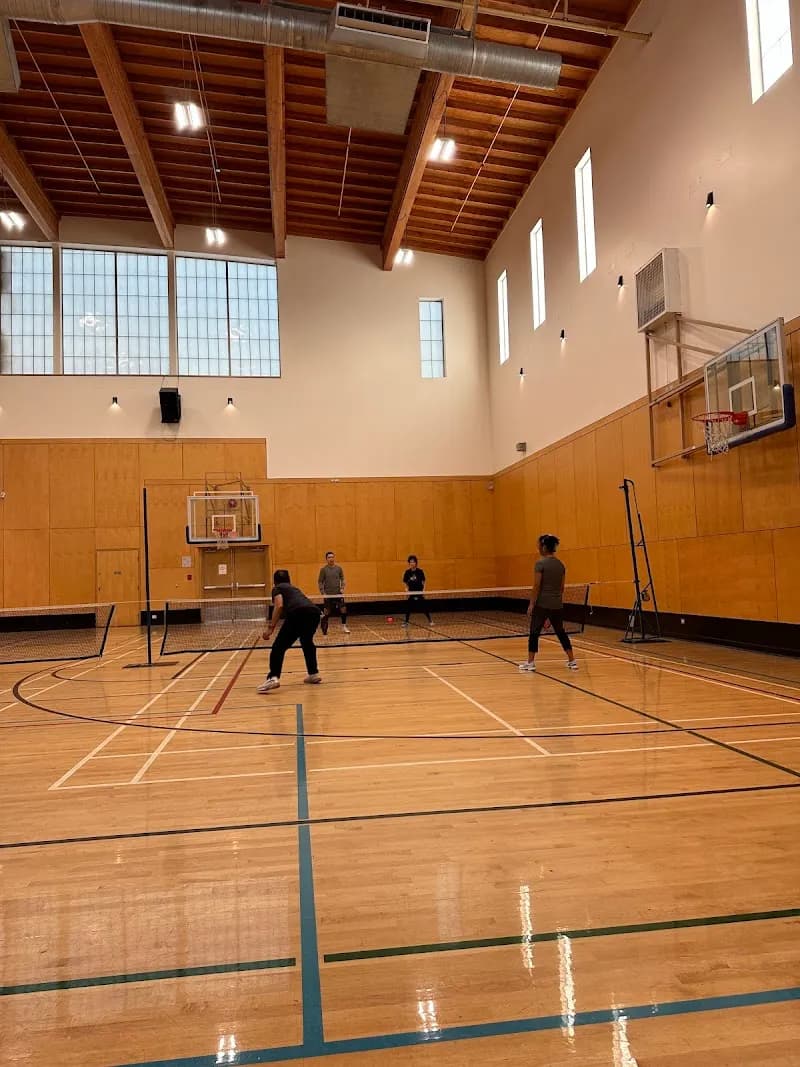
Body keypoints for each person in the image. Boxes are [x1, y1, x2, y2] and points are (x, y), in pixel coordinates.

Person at [519, 534, 578, 673]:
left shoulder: (540, 564)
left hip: (542, 604)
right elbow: (562, 587)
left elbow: (536, 586)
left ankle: (530, 662)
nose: (538, 547)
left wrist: (532, 604)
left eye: (539, 545)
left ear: (544, 547)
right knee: (560, 632)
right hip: (557, 604)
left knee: (534, 632)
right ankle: (572, 661)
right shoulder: (560, 565)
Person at [258, 569, 322, 693]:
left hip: (297, 614)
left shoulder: (277, 588)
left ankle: (273, 677)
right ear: (289, 579)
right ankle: (313, 673)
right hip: (314, 613)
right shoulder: (294, 588)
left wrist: (270, 628)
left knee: (278, 647)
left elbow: (279, 605)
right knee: (307, 642)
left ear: (274, 581)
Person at [318, 551, 350, 635]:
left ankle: (344, 626)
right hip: (328, 594)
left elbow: (342, 579)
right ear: (326, 559)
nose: (331, 559)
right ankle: (324, 627)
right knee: (326, 612)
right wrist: (323, 592)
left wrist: (342, 588)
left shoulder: (339, 568)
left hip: (338, 594)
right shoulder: (323, 570)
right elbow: (320, 581)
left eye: (332, 557)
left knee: (343, 609)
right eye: (329, 557)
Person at [402, 555, 434, 627]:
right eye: (410, 562)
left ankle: (430, 621)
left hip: (419, 592)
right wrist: (406, 590)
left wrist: (423, 591)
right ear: (409, 563)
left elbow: (424, 581)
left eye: (413, 562)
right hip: (411, 593)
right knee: (408, 608)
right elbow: (405, 582)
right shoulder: (407, 572)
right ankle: (406, 622)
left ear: (416, 563)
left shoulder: (420, 571)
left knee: (424, 607)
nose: (412, 563)